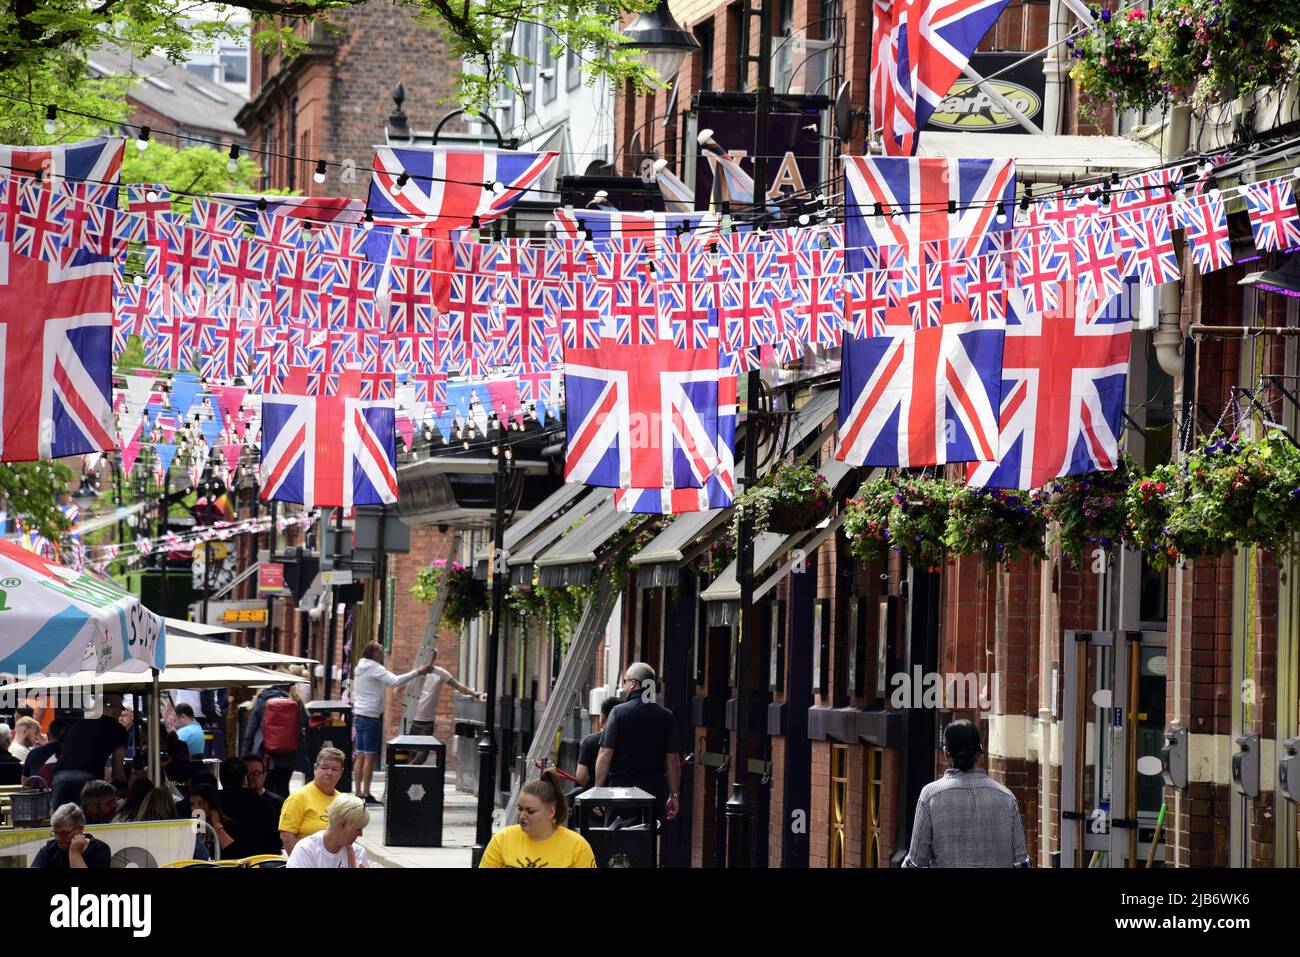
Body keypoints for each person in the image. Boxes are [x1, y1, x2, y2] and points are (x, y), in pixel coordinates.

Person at [903, 719, 1032, 868]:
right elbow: (1022, 863)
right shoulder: (1006, 798)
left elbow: (915, 864)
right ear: (979, 754)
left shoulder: (930, 796)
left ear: (946, 754)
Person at [594, 662, 681, 822]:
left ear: (633, 683)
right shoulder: (666, 716)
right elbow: (673, 759)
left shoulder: (618, 712)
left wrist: (598, 791)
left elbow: (605, 753)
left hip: (621, 792)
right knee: (648, 842)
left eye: (625, 681)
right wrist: (674, 795)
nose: (624, 685)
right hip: (653, 791)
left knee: (617, 840)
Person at [351, 642, 431, 804]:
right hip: (371, 717)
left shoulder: (360, 667)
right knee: (369, 757)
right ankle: (366, 793)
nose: (383, 653)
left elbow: (388, 683)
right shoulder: (375, 667)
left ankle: (357, 791)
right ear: (374, 653)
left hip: (359, 715)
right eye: (380, 650)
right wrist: (418, 672)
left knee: (359, 756)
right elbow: (395, 681)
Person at [479, 769, 595, 868]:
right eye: (520, 808)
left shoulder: (577, 846)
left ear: (551, 812)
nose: (522, 815)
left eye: (530, 811)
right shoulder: (502, 839)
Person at [51, 693, 127, 810]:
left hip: (61, 777)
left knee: (60, 821)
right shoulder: (118, 729)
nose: (121, 712)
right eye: (121, 708)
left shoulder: (78, 724)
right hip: (89, 780)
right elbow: (118, 772)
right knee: (90, 822)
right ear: (112, 709)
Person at [408, 649, 485, 765]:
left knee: (423, 752)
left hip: (427, 721)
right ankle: (407, 778)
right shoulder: (416, 672)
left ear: (433, 658)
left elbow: (459, 686)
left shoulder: (440, 673)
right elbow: (402, 686)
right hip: (411, 719)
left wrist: (476, 694)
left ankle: (407, 773)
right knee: (411, 751)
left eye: (431, 657)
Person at [242, 683, 306, 799]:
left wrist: (245, 755)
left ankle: (267, 814)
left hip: (264, 753)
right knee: (283, 786)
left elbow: (250, 730)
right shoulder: (295, 700)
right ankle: (283, 813)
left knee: (266, 787)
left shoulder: (262, 699)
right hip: (288, 754)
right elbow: (303, 724)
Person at [278, 746, 345, 853]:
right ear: (315, 768)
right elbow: (286, 835)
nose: (329, 773)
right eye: (324, 768)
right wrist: (300, 861)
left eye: (334, 769)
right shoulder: (299, 797)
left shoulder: (342, 801)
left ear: (341, 772)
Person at [219, 757, 283, 856]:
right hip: (261, 861)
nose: (252, 777)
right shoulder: (265, 805)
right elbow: (276, 844)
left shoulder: (212, 803)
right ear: (245, 780)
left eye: (256, 773)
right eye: (249, 775)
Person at [286, 794, 370, 868]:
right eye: (358, 829)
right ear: (343, 824)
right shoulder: (306, 850)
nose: (360, 834)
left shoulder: (357, 853)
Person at [29, 803, 111, 869]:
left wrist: (75, 853)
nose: (58, 838)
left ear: (80, 829)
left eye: (64, 833)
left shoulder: (99, 849)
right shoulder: (49, 849)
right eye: (55, 833)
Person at [189, 783, 253, 860]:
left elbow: (235, 854)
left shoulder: (230, 826)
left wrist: (217, 826)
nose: (195, 808)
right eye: (192, 805)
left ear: (212, 804)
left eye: (201, 804)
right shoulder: (192, 828)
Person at [574, 696, 618, 789]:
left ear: (602, 718)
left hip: (595, 798)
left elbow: (580, 776)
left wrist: (591, 788)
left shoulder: (589, 742)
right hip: (624, 796)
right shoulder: (629, 743)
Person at [22, 718, 68, 789]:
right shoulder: (71, 753)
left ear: (48, 735)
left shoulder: (34, 753)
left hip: (38, 796)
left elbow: (25, 782)